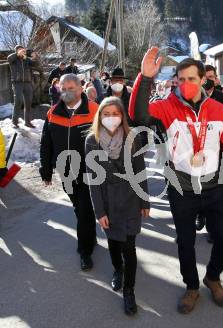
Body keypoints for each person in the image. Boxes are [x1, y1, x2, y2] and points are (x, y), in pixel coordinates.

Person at [129, 47, 223, 314]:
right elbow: (137, 115)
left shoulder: (218, 108)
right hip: (181, 188)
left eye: (191, 79)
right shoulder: (167, 106)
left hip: (214, 186)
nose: (186, 84)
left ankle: (213, 278)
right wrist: (145, 79)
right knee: (185, 242)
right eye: (181, 79)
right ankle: (192, 287)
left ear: (203, 79)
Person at [85, 96, 150, 316]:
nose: (111, 118)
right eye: (106, 114)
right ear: (99, 116)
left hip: (131, 199)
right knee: (114, 244)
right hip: (108, 201)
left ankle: (129, 291)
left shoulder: (132, 137)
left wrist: (145, 200)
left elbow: (140, 171)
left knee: (129, 248)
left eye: (115, 114)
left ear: (122, 116)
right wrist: (99, 211)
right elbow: (93, 179)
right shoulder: (92, 141)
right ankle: (117, 271)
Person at [40, 74, 99, 271]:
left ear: (81, 88)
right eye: (63, 88)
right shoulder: (52, 113)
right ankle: (89, 233)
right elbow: (46, 144)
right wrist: (46, 170)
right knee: (78, 207)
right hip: (65, 171)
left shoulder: (94, 110)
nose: (66, 91)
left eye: (71, 88)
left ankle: (85, 251)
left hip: (88, 170)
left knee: (84, 209)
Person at [195, 65, 223, 235]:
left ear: (216, 78)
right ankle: (200, 214)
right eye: (206, 77)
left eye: (212, 76)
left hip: (218, 152)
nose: (209, 80)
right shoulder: (193, 99)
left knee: (215, 189)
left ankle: (213, 226)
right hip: (197, 152)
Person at [7, 45, 43, 128]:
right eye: (19, 50)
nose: (22, 51)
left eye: (22, 50)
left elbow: (36, 65)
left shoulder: (26, 59)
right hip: (17, 83)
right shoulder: (13, 59)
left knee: (28, 103)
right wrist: (17, 54)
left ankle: (27, 122)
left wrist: (35, 57)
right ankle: (14, 121)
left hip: (28, 83)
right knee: (18, 101)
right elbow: (9, 58)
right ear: (16, 51)